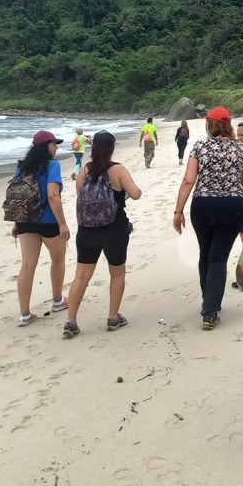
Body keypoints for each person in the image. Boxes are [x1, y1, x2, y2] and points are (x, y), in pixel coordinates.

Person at [172, 106, 243, 330]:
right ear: (228, 125)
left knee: (206, 254)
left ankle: (207, 300)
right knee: (219, 257)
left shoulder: (200, 146)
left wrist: (178, 211)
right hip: (232, 206)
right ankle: (211, 311)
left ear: (210, 124)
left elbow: (189, 181)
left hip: (203, 206)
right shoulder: (241, 149)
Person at [63, 130, 142, 338]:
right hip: (114, 230)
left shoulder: (84, 170)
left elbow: (80, 194)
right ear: (112, 149)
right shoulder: (117, 170)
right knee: (117, 274)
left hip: (87, 230)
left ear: (93, 147)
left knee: (81, 276)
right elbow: (135, 194)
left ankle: (71, 321)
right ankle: (113, 317)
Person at [12, 130, 70, 327]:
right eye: (54, 144)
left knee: (27, 265)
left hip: (25, 221)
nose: (56, 148)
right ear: (46, 147)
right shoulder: (52, 165)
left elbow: (18, 196)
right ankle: (57, 300)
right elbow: (53, 196)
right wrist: (62, 223)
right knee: (58, 258)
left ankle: (25, 315)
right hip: (47, 221)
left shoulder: (22, 168)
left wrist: (16, 223)